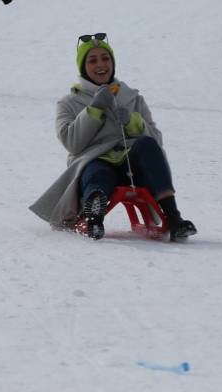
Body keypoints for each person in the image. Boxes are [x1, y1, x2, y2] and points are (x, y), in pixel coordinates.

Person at [28, 34, 197, 241]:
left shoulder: (132, 97)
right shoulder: (69, 103)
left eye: (105, 58)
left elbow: (156, 141)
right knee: (98, 172)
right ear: (83, 67)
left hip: (132, 166)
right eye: (92, 60)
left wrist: (133, 122)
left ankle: (173, 217)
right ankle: (94, 215)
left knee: (147, 145)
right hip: (95, 161)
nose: (100, 64)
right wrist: (94, 110)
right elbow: (71, 143)